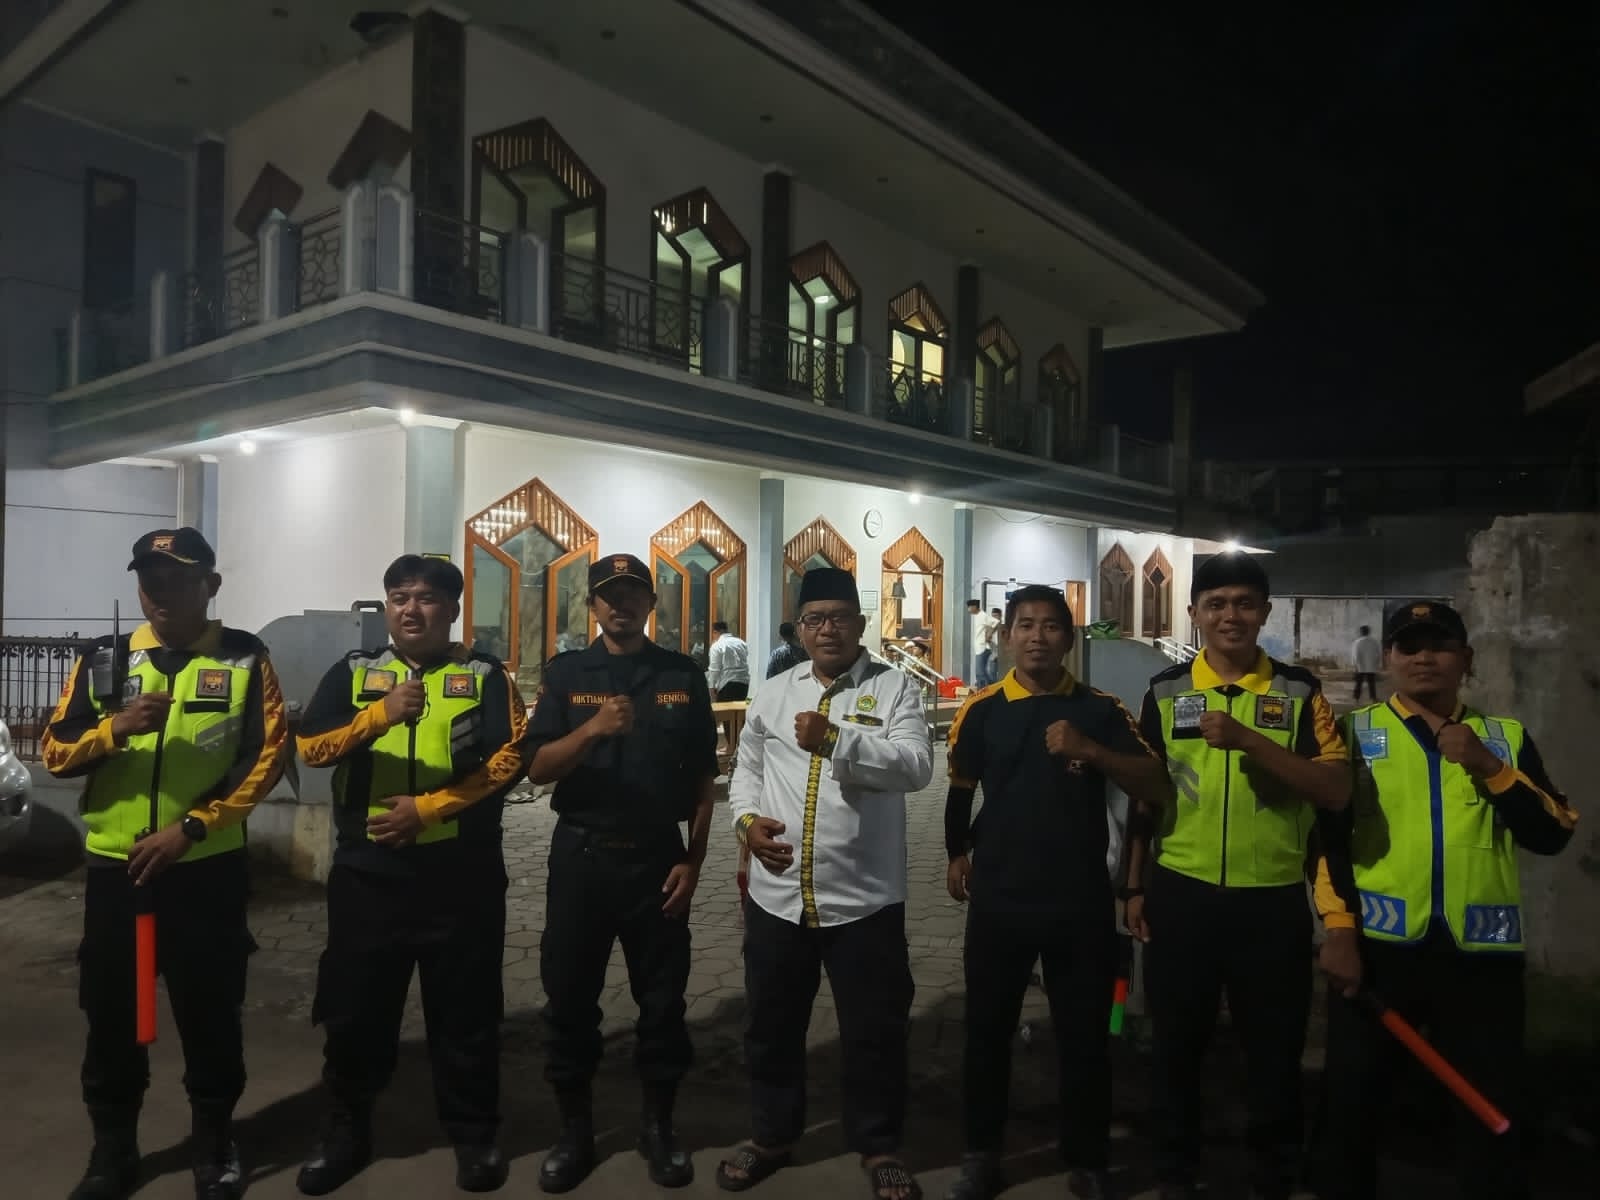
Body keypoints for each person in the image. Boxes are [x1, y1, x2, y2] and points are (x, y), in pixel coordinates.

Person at [41, 527, 289, 1200]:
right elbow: (56, 751)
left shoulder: (244, 658)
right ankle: (113, 1152)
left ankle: (214, 1143)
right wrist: (113, 729)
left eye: (179, 580)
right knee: (117, 1020)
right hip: (118, 876)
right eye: (150, 581)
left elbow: (266, 757)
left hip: (203, 874)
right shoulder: (105, 658)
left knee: (210, 1015)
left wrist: (193, 827)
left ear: (211, 585)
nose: (161, 594)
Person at [1309, 601, 1577, 1200]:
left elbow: (1553, 831)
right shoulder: (1352, 735)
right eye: (1409, 646)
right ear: (1388, 659)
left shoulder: (1504, 738)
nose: (1424, 657)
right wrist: (1339, 930)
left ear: (1466, 659)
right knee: (1352, 1099)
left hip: (1482, 956)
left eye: (1439, 645)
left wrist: (1489, 767)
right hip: (1378, 950)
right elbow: (1325, 843)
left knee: (1488, 1103)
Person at [293, 555, 530, 1196]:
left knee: (466, 1015)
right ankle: (345, 1133)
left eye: (425, 598)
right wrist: (380, 714)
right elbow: (310, 746)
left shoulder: (484, 675)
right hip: (369, 876)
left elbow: (511, 758)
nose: (410, 609)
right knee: (355, 1014)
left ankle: (474, 1136)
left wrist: (429, 809)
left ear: (452, 609)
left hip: (462, 878)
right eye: (399, 597)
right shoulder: (355, 672)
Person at [1124, 551, 1350, 1200]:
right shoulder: (1165, 691)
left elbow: (1335, 792)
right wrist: (1133, 886)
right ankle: (1175, 1171)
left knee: (1274, 1051)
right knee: (1175, 1046)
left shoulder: (1299, 692)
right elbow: (1146, 797)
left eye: (1245, 604)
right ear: (1194, 613)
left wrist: (1252, 741)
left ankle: (1272, 1173)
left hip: (1271, 902)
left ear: (1265, 613)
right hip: (1181, 896)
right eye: (1217, 604)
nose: (1231, 616)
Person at [943, 586, 1170, 1200]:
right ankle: (981, 1155)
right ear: (1007, 637)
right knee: (987, 1032)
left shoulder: (1100, 711)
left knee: (1085, 1037)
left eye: (1050, 626)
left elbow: (1156, 781)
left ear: (1069, 639)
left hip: (1079, 900)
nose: (1037, 636)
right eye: (1025, 625)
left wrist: (1090, 750)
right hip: (999, 898)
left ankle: (1088, 1160)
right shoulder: (981, 710)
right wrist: (956, 853)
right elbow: (961, 787)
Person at [718, 567, 933, 1200]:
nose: (827, 629)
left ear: (860, 624)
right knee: (771, 1026)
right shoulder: (773, 691)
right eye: (814, 619)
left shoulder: (892, 687)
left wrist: (837, 738)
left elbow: (916, 766)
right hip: (777, 895)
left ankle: (879, 1145)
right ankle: (772, 1136)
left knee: (873, 1030)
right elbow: (746, 769)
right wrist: (745, 822)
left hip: (864, 898)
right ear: (800, 629)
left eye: (839, 617)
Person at [525, 553, 719, 1192]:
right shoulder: (567, 674)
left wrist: (693, 860)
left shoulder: (682, 675)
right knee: (569, 999)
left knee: (662, 1003)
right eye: (610, 595)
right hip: (580, 859)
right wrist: (593, 729)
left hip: (658, 861)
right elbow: (538, 769)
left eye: (634, 593)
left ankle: (658, 1128)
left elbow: (703, 778)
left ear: (651, 604)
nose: (622, 604)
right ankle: (574, 1132)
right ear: (593, 606)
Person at [709, 620, 751, 702]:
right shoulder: (741, 643)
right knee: (739, 709)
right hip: (744, 684)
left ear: (715, 632)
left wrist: (711, 689)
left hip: (727, 685)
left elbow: (714, 670)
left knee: (725, 710)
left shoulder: (717, 645)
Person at [1351, 624, 1381, 702]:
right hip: (1371, 666)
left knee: (1358, 683)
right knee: (1371, 683)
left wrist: (1355, 665)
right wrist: (1377, 664)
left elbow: (1356, 655)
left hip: (1360, 666)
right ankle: (1373, 698)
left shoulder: (1357, 642)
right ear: (1368, 632)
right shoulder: (1374, 642)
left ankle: (1356, 698)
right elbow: (1378, 654)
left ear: (1361, 632)